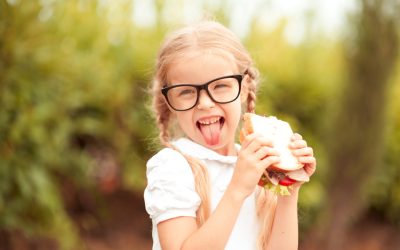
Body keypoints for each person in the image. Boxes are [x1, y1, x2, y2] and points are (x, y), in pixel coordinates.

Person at [144, 20, 316, 250]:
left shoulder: (256, 164)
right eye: (186, 91)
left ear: (243, 89)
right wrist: (237, 190)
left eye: (221, 86)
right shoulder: (171, 167)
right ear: (170, 101)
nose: (205, 103)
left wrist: (288, 189)